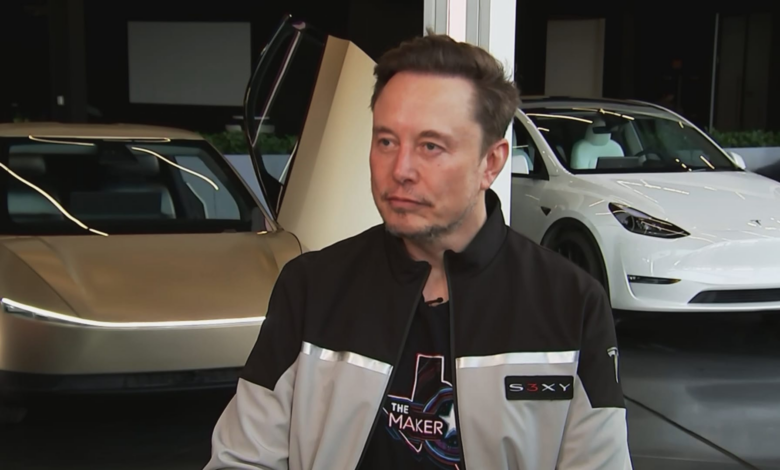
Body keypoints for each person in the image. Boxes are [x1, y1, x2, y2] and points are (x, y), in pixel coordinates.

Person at [205, 32, 632, 470]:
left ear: (491, 163)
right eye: (386, 141)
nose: (401, 169)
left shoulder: (571, 304)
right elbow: (243, 459)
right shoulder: (311, 287)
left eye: (431, 146)